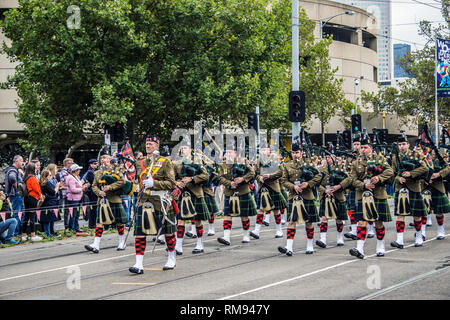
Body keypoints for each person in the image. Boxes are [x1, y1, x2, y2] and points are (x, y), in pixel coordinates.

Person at [129, 134, 177, 274]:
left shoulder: (165, 162)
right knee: (139, 233)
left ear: (157, 146)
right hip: (143, 200)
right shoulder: (140, 163)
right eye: (147, 143)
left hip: (160, 201)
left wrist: (154, 183)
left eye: (151, 144)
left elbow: (171, 183)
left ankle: (171, 257)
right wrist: (137, 186)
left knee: (168, 232)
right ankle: (139, 263)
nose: (148, 146)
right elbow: (139, 179)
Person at [349, 137, 394, 259]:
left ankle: (380, 246)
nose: (363, 150)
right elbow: (352, 179)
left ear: (371, 148)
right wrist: (364, 185)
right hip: (363, 195)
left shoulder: (380, 159)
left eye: (365, 147)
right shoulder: (355, 162)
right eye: (361, 147)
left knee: (378, 222)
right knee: (361, 222)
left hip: (378, 194)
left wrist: (379, 178)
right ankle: (360, 248)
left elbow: (390, 171)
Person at [277, 142, 322, 256]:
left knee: (309, 222)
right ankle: (289, 247)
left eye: (297, 152)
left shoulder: (309, 164)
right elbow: (283, 180)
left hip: (307, 196)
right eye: (293, 152)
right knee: (292, 222)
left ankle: (310, 245)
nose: (295, 155)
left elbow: (319, 176)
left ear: (302, 152)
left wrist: (308, 183)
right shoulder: (286, 165)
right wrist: (293, 186)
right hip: (294, 196)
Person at [85, 154, 129, 253]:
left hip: (114, 199)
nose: (102, 160)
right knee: (99, 223)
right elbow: (94, 186)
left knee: (119, 222)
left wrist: (110, 187)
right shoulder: (97, 172)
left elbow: (122, 182)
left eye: (104, 158)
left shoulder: (116, 170)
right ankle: (96, 245)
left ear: (109, 160)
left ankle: (122, 242)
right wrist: (99, 192)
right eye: (101, 158)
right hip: (102, 200)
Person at [390, 136, 429, 248]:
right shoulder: (395, 157)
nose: (401, 147)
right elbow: (392, 173)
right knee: (400, 214)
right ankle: (399, 240)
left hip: (414, 187)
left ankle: (418, 237)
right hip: (400, 188)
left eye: (403, 144)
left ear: (408, 144)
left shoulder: (416, 155)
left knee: (417, 215)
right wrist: (398, 178)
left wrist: (411, 173)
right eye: (400, 145)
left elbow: (425, 168)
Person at [173, 145, 210, 255]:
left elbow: (206, 176)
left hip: (196, 194)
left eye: (185, 148)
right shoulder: (177, 163)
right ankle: (178, 246)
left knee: (197, 220)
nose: (182, 150)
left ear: (190, 150)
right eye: (181, 148)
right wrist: (177, 183)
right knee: (180, 220)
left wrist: (192, 178)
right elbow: (172, 178)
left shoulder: (198, 161)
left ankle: (199, 244)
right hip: (182, 194)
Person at [217, 149, 257, 246]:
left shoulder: (243, 161)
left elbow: (252, 173)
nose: (228, 154)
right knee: (227, 215)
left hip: (242, 191)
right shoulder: (222, 165)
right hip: (229, 192)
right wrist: (230, 183)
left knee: (244, 215)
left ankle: (246, 235)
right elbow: (221, 178)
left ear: (235, 153)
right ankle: (226, 237)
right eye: (227, 152)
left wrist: (242, 179)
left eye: (231, 152)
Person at [250, 146, 287, 240]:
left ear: (269, 151)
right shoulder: (259, 160)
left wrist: (270, 176)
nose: (263, 151)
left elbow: (281, 172)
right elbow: (255, 173)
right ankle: (257, 231)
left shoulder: (275, 159)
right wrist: (260, 178)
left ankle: (279, 230)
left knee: (276, 210)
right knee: (260, 210)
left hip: (273, 187)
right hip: (262, 187)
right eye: (262, 150)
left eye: (265, 149)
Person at [316, 155, 352, 248]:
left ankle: (340, 238)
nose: (328, 159)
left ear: (334, 158)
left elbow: (348, 179)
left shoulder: (341, 168)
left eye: (330, 157)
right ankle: (322, 239)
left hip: (338, 196)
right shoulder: (320, 169)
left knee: (339, 219)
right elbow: (316, 183)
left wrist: (339, 186)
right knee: (324, 218)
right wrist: (324, 190)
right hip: (326, 196)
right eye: (326, 157)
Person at [21, 163, 43, 242]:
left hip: (26, 198)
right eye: (36, 167)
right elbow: (36, 188)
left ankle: (24, 235)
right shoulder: (32, 178)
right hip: (33, 197)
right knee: (32, 216)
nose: (37, 168)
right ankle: (33, 235)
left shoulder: (25, 177)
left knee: (26, 216)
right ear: (33, 169)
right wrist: (40, 195)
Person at [66, 164, 89, 235]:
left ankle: (76, 227)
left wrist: (83, 186)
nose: (79, 171)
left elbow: (78, 185)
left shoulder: (75, 177)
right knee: (74, 214)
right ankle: (72, 228)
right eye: (78, 169)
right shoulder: (70, 178)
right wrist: (82, 188)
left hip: (78, 198)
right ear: (75, 170)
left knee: (77, 214)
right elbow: (73, 189)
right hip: (73, 199)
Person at [4, 155, 25, 236]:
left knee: (21, 213)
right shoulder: (13, 170)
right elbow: (12, 178)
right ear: (17, 161)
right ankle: (15, 233)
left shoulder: (15, 170)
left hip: (18, 195)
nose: (22, 163)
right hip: (16, 195)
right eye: (21, 161)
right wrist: (16, 187)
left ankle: (18, 231)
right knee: (17, 214)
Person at [39, 168, 61, 237]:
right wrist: (57, 186)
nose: (51, 176)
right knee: (48, 219)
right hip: (49, 202)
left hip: (47, 202)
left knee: (49, 219)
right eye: (50, 175)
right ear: (46, 176)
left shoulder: (42, 182)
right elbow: (53, 192)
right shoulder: (47, 183)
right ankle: (48, 233)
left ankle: (50, 232)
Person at [56, 158, 74, 233]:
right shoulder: (63, 172)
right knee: (67, 211)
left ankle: (71, 226)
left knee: (73, 210)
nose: (73, 165)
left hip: (72, 192)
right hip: (66, 194)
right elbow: (68, 182)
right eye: (72, 163)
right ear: (67, 164)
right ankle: (66, 227)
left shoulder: (70, 172)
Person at [82, 159, 99, 229]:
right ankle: (92, 224)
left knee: (95, 209)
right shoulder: (89, 172)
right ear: (91, 164)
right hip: (92, 192)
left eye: (96, 163)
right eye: (94, 163)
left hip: (95, 191)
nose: (96, 165)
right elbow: (93, 181)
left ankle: (94, 223)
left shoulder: (95, 171)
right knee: (93, 209)